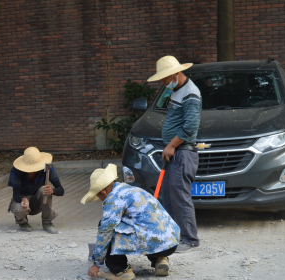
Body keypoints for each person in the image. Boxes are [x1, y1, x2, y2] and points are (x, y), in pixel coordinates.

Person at [82, 164, 180, 279]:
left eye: (97, 195)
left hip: (157, 244)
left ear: (103, 192)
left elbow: (105, 231)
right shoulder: (131, 189)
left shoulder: (113, 199)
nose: (99, 199)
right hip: (171, 243)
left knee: (108, 228)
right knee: (146, 226)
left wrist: (97, 263)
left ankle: (121, 270)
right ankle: (160, 259)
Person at [147, 55, 202, 253]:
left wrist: (170, 146)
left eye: (164, 78)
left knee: (180, 196)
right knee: (168, 196)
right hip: (174, 152)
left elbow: (190, 128)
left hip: (181, 152)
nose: (162, 82)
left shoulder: (191, 94)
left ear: (175, 74)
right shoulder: (177, 91)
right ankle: (173, 236)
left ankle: (190, 239)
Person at [7, 147, 64, 234]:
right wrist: (22, 199)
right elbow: (15, 195)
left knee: (44, 189)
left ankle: (47, 222)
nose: (32, 170)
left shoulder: (48, 168)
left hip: (39, 200)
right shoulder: (16, 170)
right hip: (24, 201)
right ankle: (22, 222)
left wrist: (52, 190)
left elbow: (61, 191)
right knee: (19, 208)